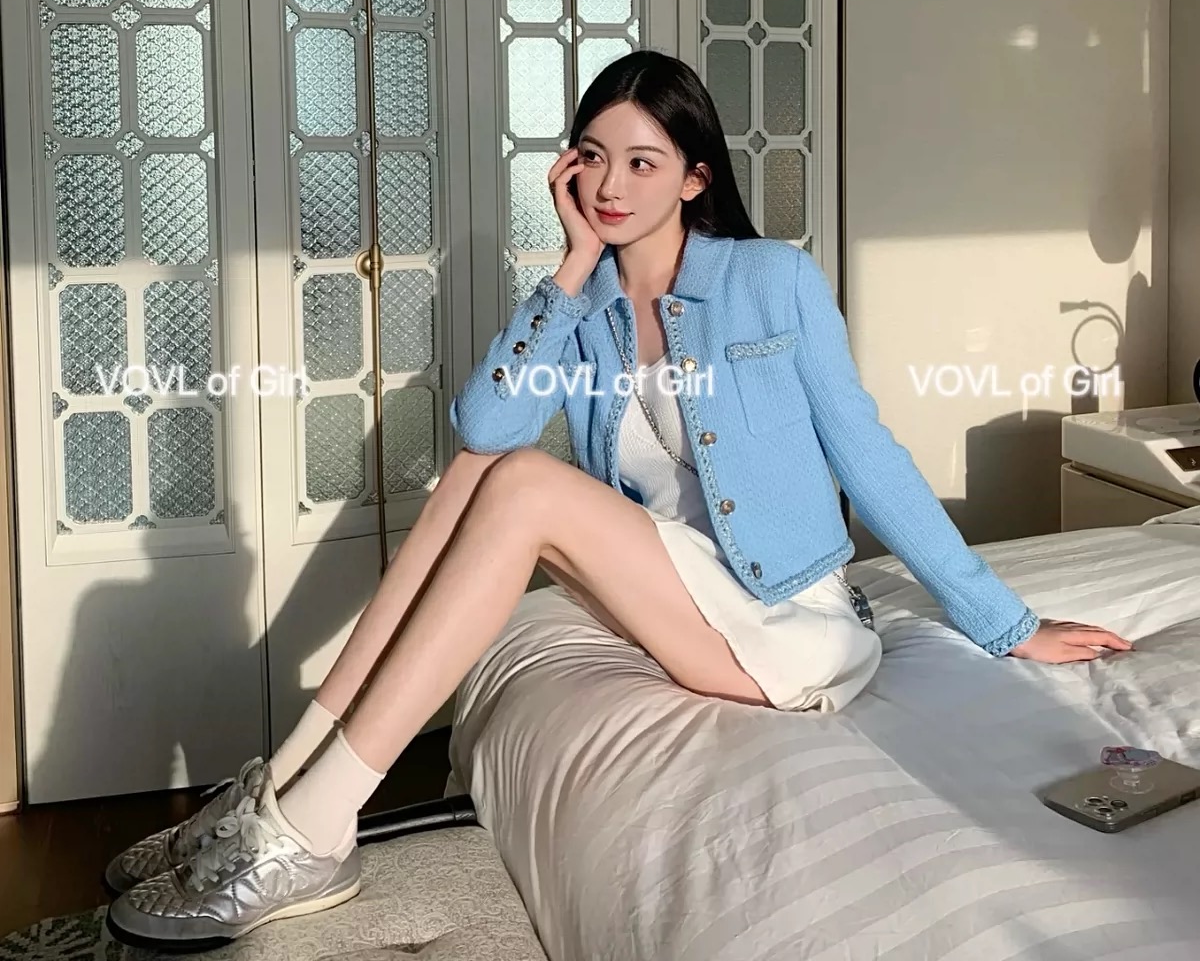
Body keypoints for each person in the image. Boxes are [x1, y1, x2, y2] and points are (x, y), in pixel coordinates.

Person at [104, 51, 1132, 950]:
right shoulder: (587, 306)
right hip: (680, 590)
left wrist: (1009, 625)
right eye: (592, 156)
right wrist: (571, 269)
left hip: (783, 618)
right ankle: (285, 783)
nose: (609, 183)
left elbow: (869, 456)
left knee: (521, 486)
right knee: (479, 473)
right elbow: (486, 425)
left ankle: (315, 831)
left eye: (643, 162)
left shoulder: (771, 280)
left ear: (695, 177)